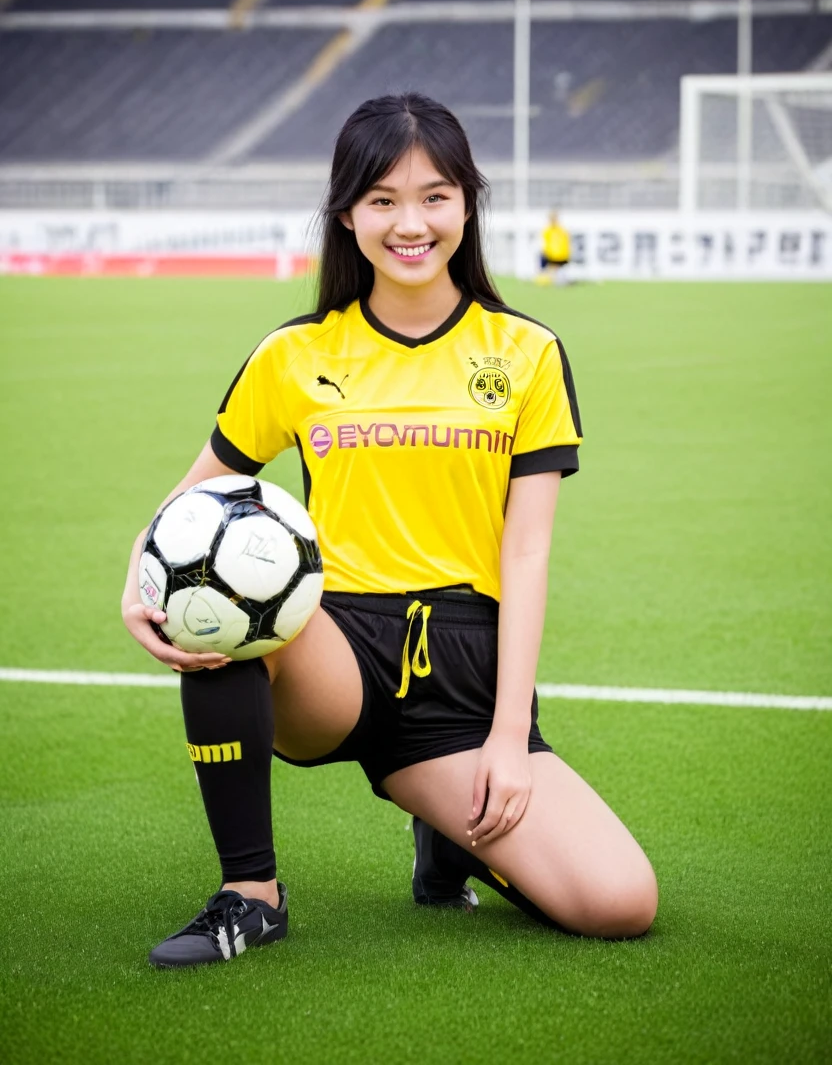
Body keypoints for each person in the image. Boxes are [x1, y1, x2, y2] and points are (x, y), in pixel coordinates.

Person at [122, 93, 657, 968]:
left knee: (620, 902)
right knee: (219, 608)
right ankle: (250, 892)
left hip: (465, 675)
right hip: (335, 652)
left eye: (435, 196)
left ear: (468, 204)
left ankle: (447, 833)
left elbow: (526, 554)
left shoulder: (525, 353)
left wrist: (506, 740)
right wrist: (134, 584)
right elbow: (190, 508)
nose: (411, 223)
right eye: (383, 200)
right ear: (347, 214)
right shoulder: (295, 355)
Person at [536, 210, 571, 286]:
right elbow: (545, 245)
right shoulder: (547, 231)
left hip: (560, 257)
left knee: (555, 272)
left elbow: (565, 246)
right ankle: (549, 278)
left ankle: (556, 279)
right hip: (551, 256)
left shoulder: (561, 231)